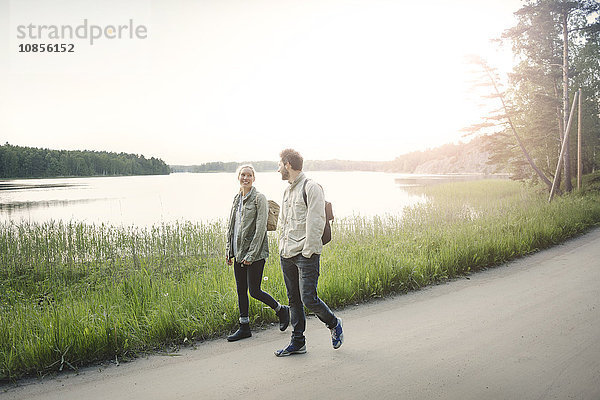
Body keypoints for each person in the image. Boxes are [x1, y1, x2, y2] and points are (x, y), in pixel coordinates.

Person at [274, 149, 343, 357]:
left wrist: (308, 251)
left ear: (287, 164)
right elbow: (284, 223)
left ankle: (333, 322)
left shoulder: (311, 187)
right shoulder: (287, 191)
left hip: (305, 255)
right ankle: (298, 342)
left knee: (308, 299)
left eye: (279, 164)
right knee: (293, 299)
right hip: (286, 254)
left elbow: (316, 221)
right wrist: (281, 247)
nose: (278, 169)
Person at [225, 165, 290, 341]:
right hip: (238, 253)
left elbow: (261, 228)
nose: (245, 178)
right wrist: (229, 250)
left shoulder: (259, 198)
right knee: (241, 290)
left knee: (254, 291)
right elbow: (232, 226)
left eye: (249, 175)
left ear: (254, 178)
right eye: (242, 175)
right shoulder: (237, 199)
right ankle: (244, 327)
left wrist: (251, 255)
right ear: (238, 177)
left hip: (255, 254)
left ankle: (282, 310)